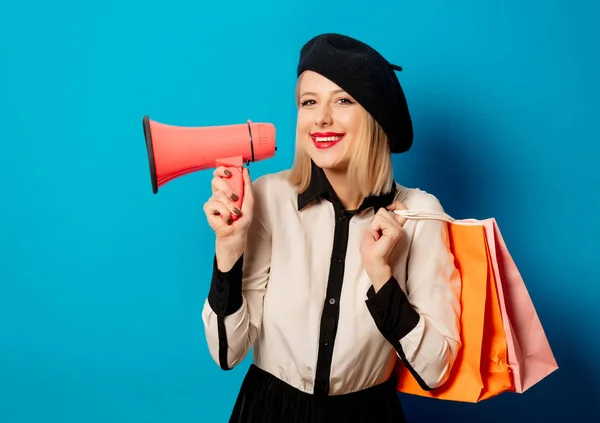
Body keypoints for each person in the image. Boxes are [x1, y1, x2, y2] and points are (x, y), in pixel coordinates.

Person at [201, 33, 462, 423]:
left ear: (374, 116)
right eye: (309, 102)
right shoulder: (268, 198)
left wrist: (381, 277)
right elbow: (227, 353)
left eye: (343, 100)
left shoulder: (420, 214)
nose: (321, 117)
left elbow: (435, 370)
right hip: (270, 410)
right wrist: (230, 250)